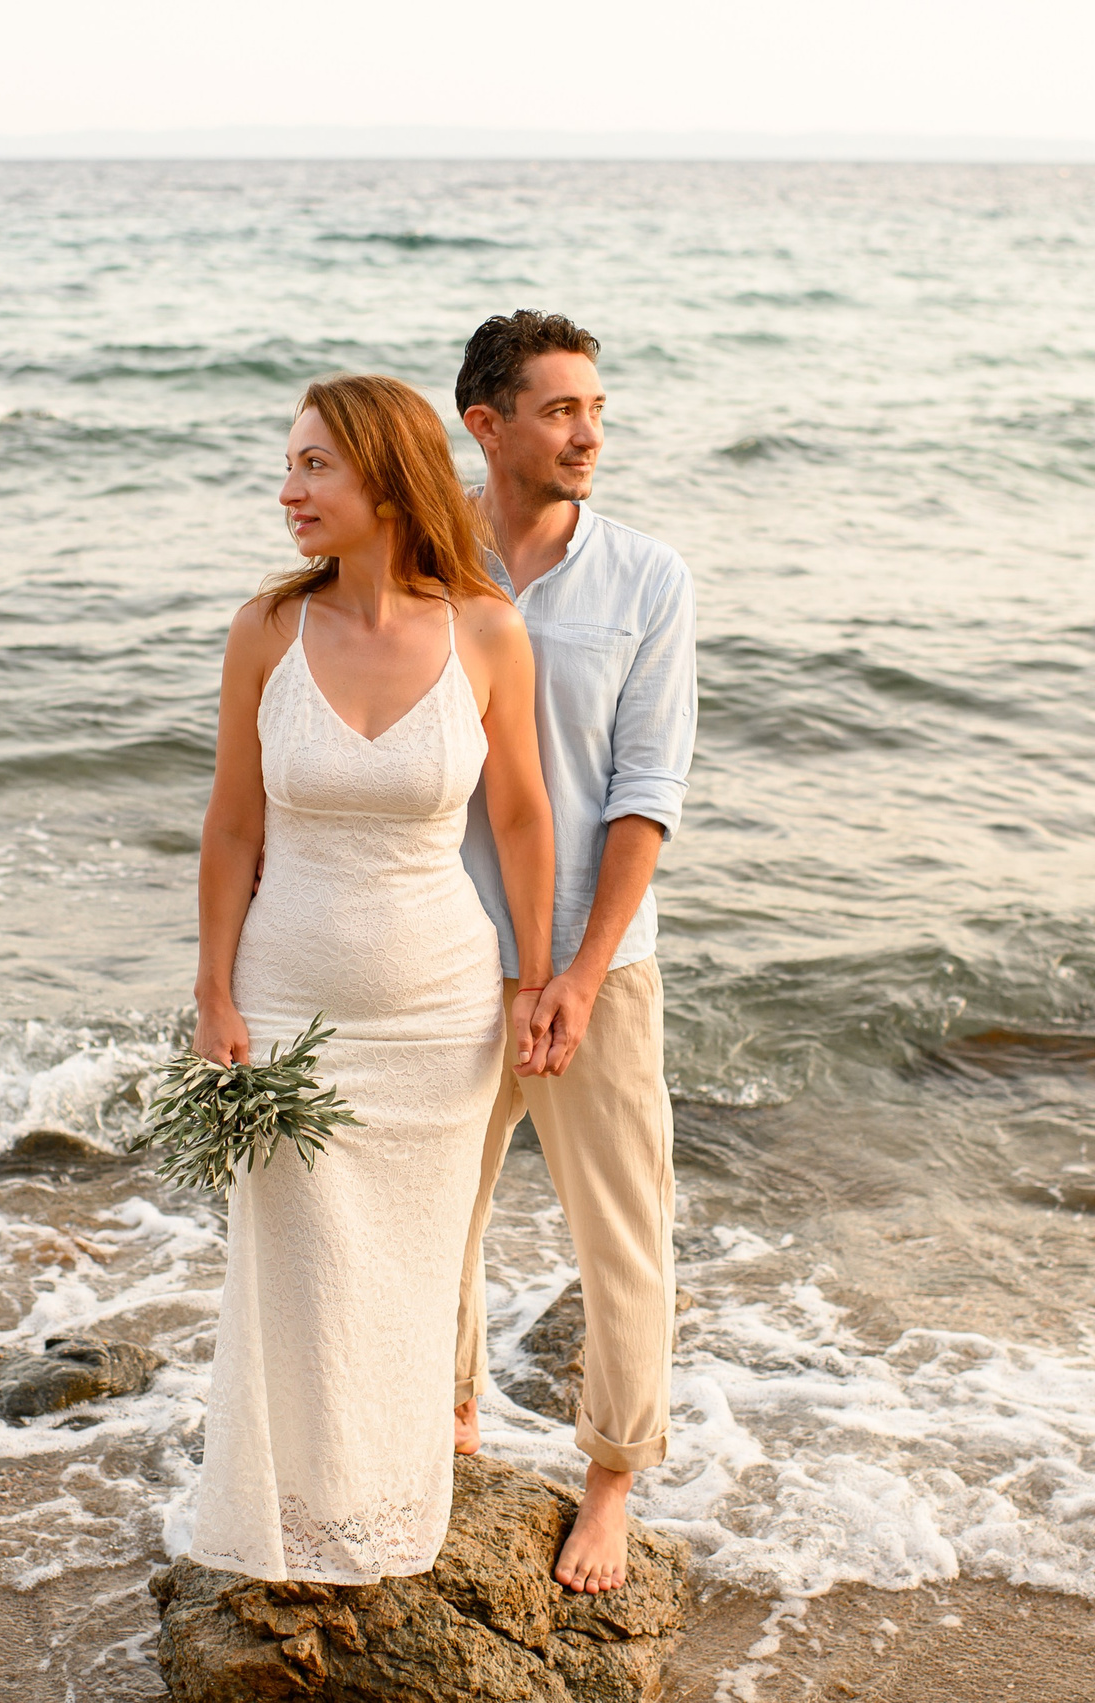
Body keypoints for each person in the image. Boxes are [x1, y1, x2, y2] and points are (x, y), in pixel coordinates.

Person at [183, 374, 559, 1583]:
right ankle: (281, 1512)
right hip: (288, 1001)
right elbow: (232, 827)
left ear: (385, 479)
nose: (287, 490)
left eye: (312, 468)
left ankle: (387, 1510)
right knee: (288, 1264)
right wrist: (214, 992)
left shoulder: (488, 632)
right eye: (288, 465)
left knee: (402, 1272)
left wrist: (534, 978)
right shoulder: (266, 630)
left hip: (439, 1012)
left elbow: (522, 819)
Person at [450, 311, 698, 1595]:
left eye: (595, 407)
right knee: (438, 1215)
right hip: (438, 952)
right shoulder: (422, 549)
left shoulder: (647, 578)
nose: (589, 430)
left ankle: (610, 1478)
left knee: (622, 1229)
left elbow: (643, 794)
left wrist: (581, 972)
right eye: (559, 409)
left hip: (597, 960)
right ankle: (449, 1429)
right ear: (486, 424)